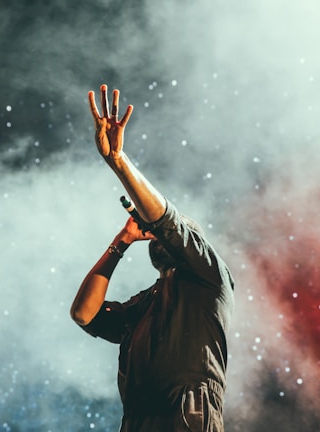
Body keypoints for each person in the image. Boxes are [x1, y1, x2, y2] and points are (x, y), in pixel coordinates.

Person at [71, 85, 235, 431]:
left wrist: (119, 162)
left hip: (185, 414)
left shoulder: (209, 274)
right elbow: (84, 314)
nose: (157, 234)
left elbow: (167, 220)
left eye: (167, 234)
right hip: (137, 419)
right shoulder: (145, 302)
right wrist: (122, 241)